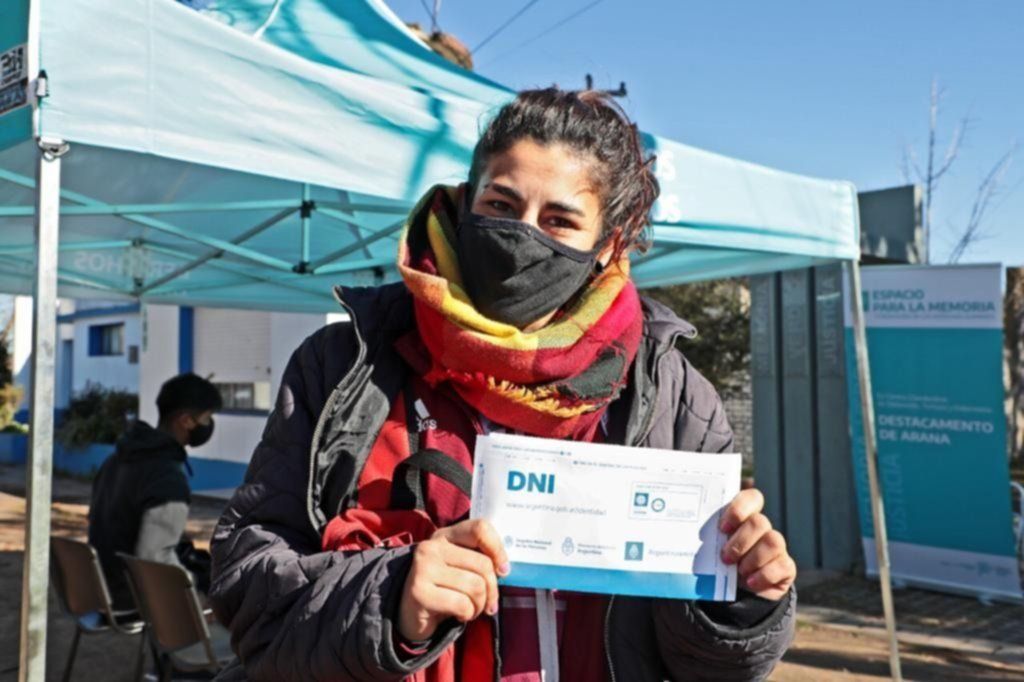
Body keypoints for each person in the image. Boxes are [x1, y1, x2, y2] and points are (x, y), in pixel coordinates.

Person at [209, 89, 797, 681]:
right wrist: (391, 596)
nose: (522, 234)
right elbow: (250, 589)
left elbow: (713, 666)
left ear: (608, 245)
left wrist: (746, 600)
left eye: (560, 221)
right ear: (466, 204)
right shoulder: (346, 365)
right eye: (501, 204)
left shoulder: (672, 394)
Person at [89, 372, 221, 610]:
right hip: (133, 596)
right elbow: (154, 560)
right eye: (206, 418)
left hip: (102, 585)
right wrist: (196, 592)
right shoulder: (166, 478)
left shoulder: (116, 459)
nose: (209, 425)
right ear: (186, 420)